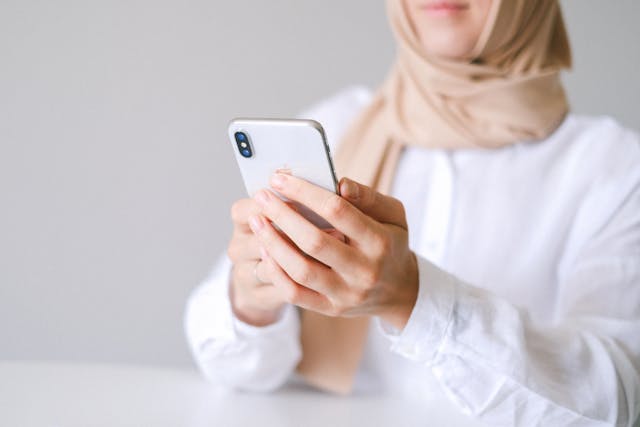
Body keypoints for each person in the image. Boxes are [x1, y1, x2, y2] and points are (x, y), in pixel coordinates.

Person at [185, 0, 640, 425]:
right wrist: (251, 302)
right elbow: (227, 366)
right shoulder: (337, 124)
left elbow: (616, 401)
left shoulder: (617, 167)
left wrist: (413, 298)